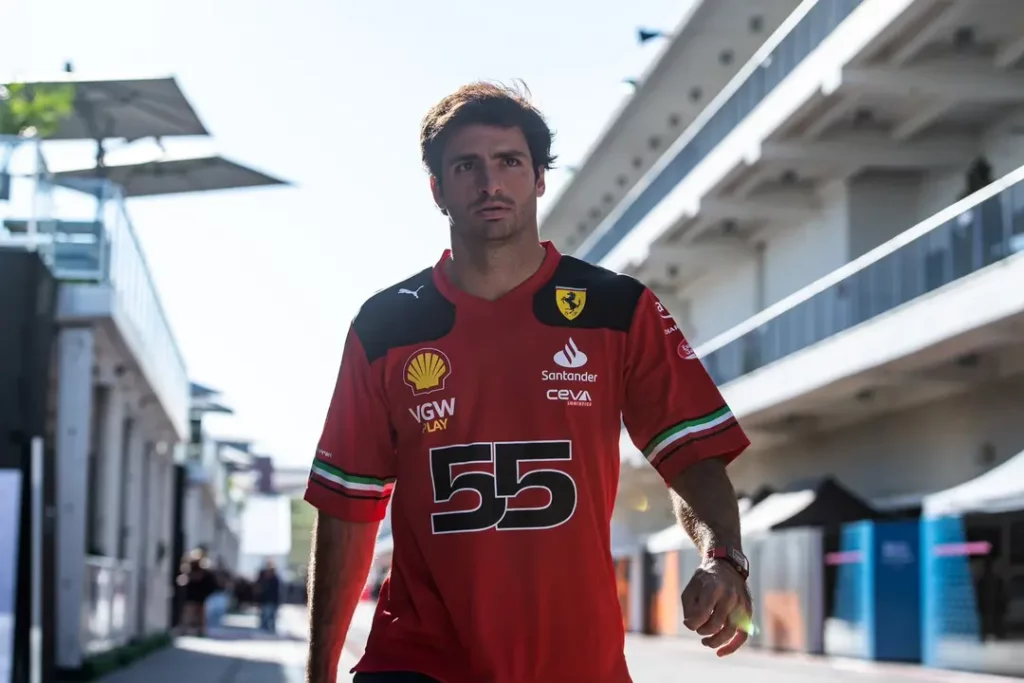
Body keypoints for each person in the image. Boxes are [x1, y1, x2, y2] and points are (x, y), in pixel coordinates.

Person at [304, 81, 753, 683]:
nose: (490, 183)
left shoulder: (617, 309)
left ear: (539, 178)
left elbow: (690, 456)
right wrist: (318, 671)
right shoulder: (386, 326)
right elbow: (347, 509)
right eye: (467, 166)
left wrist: (722, 557)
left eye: (509, 162)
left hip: (575, 664)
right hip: (416, 664)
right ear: (437, 190)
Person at [257, 560, 281, 633]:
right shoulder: (263, 578)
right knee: (265, 615)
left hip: (272, 600)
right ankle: (264, 628)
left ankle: (270, 629)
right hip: (265, 600)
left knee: (272, 616)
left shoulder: (275, 579)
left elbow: (277, 591)